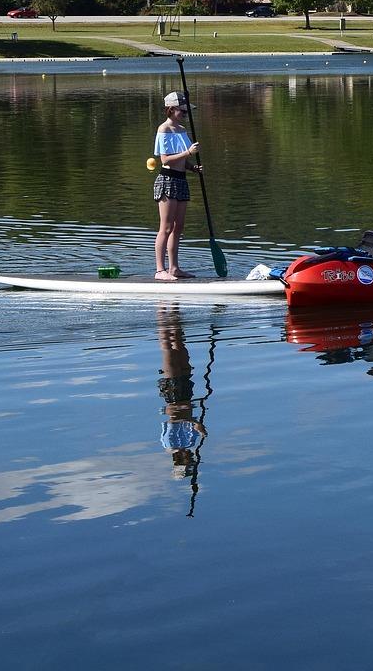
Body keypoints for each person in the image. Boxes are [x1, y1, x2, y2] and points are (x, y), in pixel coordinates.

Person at [153, 90, 202, 281]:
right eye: (183, 111)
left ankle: (174, 268)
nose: (185, 115)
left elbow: (181, 160)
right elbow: (166, 159)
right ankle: (160, 270)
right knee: (165, 227)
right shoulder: (163, 129)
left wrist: (192, 168)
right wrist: (189, 153)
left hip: (181, 180)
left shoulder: (182, 130)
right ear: (171, 109)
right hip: (167, 180)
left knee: (178, 226)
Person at [157, 304, 206, 480]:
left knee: (168, 348)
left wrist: (195, 423)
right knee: (179, 344)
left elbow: (173, 420)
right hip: (187, 394)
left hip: (174, 395)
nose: (190, 458)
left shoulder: (169, 445)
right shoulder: (192, 443)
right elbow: (191, 424)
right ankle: (174, 310)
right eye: (190, 461)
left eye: (187, 461)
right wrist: (198, 426)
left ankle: (162, 309)